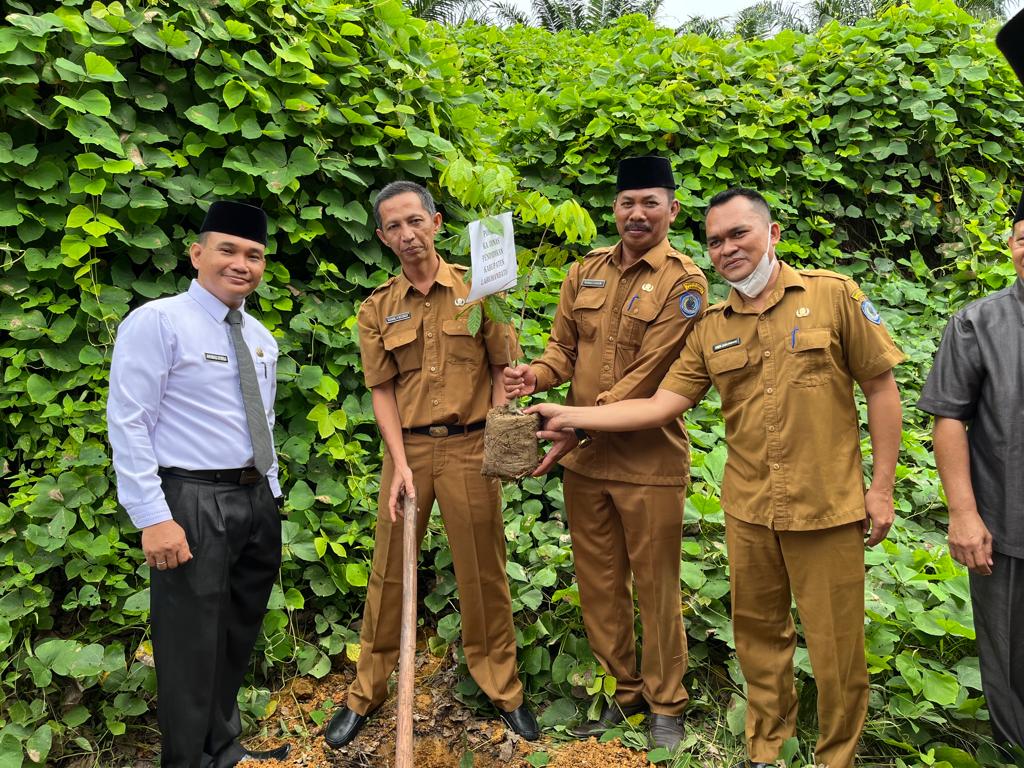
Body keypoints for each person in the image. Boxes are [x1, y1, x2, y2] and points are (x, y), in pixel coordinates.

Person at [526, 188, 904, 768]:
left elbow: (881, 388)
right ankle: (765, 750)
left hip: (826, 507)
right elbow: (658, 406)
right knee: (758, 643)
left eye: (739, 235)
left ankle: (837, 757)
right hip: (749, 509)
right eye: (716, 241)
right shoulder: (710, 327)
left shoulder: (832, 297)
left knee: (836, 653)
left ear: (772, 234)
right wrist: (571, 419)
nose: (727, 249)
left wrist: (881, 488)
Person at [503, 156, 708, 750]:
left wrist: (578, 424)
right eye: (626, 203)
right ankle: (623, 694)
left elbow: (650, 378)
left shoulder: (684, 282)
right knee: (598, 583)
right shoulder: (584, 272)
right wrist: (533, 378)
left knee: (657, 586)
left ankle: (667, 703)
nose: (636, 214)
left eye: (650, 203)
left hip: (648, 463)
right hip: (584, 464)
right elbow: (562, 352)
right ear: (613, 208)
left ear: (672, 209)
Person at [324, 181, 538, 748]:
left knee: (483, 572)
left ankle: (503, 689)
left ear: (437, 222)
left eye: (415, 221)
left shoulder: (480, 288)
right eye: (394, 226)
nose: (407, 234)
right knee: (388, 571)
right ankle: (365, 693)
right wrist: (398, 465)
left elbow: (502, 369)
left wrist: (497, 437)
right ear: (381, 237)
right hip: (410, 451)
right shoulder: (377, 308)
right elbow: (382, 391)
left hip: (470, 446)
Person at [107, 201, 290, 767]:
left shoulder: (260, 337)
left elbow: (262, 418)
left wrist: (273, 493)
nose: (242, 264)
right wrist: (153, 517)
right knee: (189, 644)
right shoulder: (158, 321)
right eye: (228, 250)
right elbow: (129, 420)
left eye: (254, 255)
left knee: (236, 632)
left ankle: (223, 748)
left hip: (254, 499)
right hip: (190, 500)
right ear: (197, 254)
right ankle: (187, 761)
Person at [916, 191, 1024, 755]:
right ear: (1011, 247)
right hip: (1007, 523)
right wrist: (963, 514)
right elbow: (950, 419)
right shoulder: (978, 323)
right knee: (1008, 655)